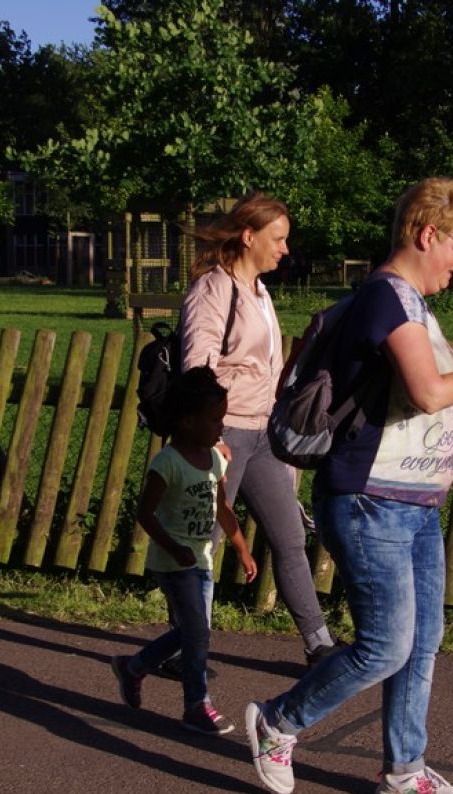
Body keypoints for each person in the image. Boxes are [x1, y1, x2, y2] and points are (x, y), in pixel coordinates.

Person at [244, 177, 453, 794]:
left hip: (413, 504)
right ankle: (278, 720)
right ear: (427, 234)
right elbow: (429, 392)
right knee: (385, 645)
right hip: (369, 501)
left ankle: (405, 770)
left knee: (421, 642)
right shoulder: (386, 298)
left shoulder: (411, 304)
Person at [177, 192, 339, 669]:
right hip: (223, 432)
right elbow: (197, 367)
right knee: (205, 544)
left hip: (263, 434)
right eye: (279, 238)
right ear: (249, 236)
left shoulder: (260, 292)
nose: (285, 249)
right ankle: (186, 648)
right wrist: (210, 436)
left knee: (289, 538)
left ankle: (320, 645)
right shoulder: (213, 289)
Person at [111, 367, 258, 735]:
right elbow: (145, 513)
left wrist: (242, 549)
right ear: (188, 421)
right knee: (197, 632)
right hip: (173, 562)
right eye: (214, 420)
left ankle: (134, 667)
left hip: (201, 559)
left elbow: (223, 508)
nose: (221, 428)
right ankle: (196, 705)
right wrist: (173, 548)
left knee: (196, 631)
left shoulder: (215, 460)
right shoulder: (168, 463)